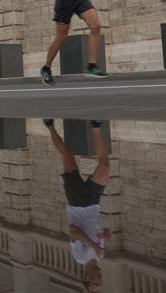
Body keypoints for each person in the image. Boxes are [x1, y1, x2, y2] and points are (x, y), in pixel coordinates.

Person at [44, 118, 111, 292]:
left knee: (68, 157)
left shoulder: (80, 257)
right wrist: (104, 235)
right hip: (93, 203)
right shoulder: (99, 257)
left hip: (78, 202)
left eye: (95, 282)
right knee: (105, 166)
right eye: (100, 282)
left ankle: (49, 126)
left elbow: (73, 231)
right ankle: (96, 126)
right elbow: (95, 232)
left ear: (86, 278)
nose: (99, 279)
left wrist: (95, 246)